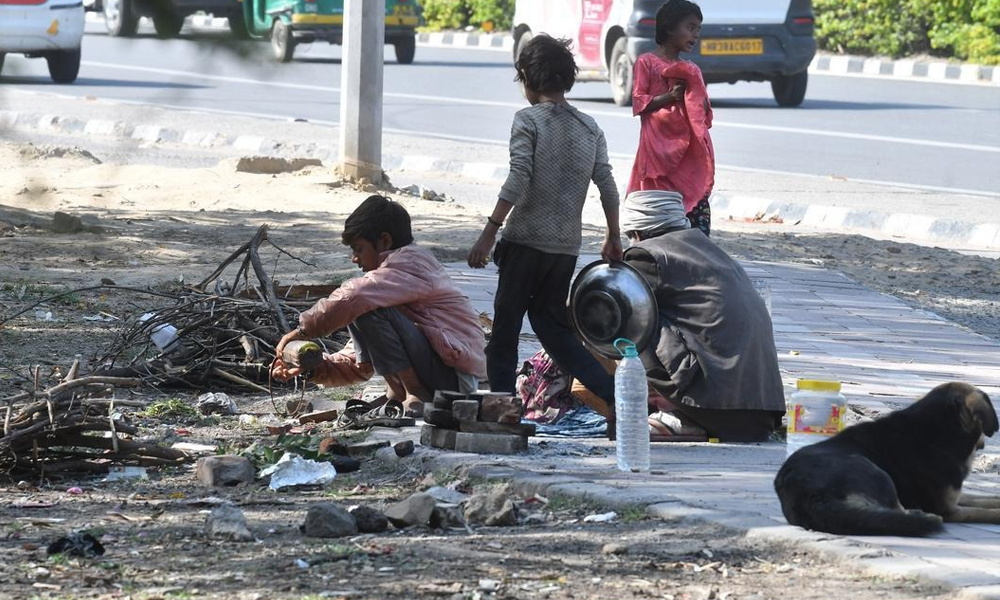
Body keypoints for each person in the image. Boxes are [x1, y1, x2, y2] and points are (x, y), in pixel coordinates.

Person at [466, 34, 622, 410]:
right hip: (564, 248)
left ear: (527, 79)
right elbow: (608, 186)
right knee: (554, 330)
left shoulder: (528, 120)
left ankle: (501, 407)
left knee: (505, 329)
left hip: (524, 243)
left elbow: (518, 176)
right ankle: (614, 395)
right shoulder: (589, 128)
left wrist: (489, 232)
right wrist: (613, 236)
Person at [575, 193, 785, 442]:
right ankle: (677, 410)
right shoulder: (707, 248)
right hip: (761, 412)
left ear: (638, 233)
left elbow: (595, 310)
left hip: (716, 407)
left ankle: (677, 413)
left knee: (622, 326)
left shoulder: (646, 255)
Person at [272, 195, 486, 417]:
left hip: (455, 382)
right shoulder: (389, 284)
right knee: (361, 304)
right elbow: (358, 362)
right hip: (442, 374)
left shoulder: (411, 264)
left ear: (384, 241)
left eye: (358, 249)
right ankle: (402, 392)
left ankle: (414, 393)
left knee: (361, 302)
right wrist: (313, 369)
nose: (355, 259)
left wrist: (304, 331)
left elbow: (352, 297)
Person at [627, 0, 715, 236]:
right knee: (657, 213)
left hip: (688, 149)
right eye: (690, 27)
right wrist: (669, 97)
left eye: (698, 29)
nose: (695, 34)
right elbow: (639, 103)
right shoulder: (646, 62)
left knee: (693, 201)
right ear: (669, 28)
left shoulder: (692, 69)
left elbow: (704, 113)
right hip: (656, 151)